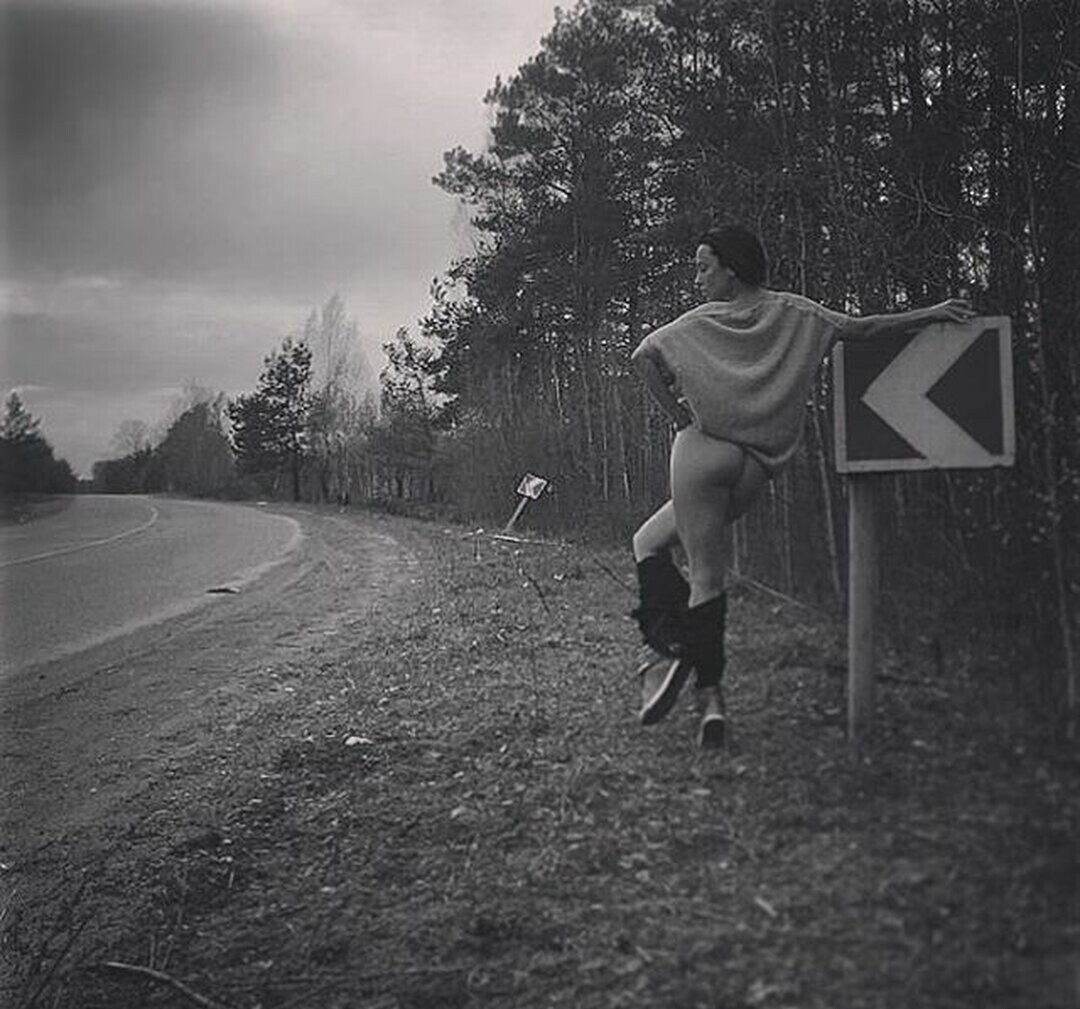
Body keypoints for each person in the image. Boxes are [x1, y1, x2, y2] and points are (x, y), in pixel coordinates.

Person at [629, 223, 975, 748]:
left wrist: (678, 418)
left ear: (732, 270)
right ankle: (678, 648)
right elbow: (865, 329)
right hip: (756, 465)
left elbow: (642, 357)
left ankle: (698, 682)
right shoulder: (800, 313)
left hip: (702, 455)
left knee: (703, 579)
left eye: (703, 268)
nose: (698, 280)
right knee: (649, 540)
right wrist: (931, 312)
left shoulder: (697, 323)